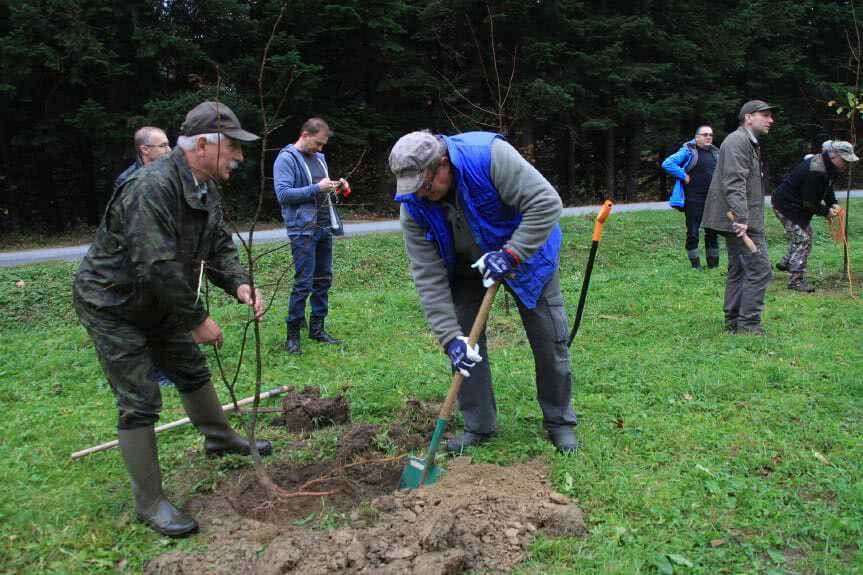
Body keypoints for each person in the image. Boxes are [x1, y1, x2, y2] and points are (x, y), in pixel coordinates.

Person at [73, 101, 272, 538]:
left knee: (189, 366)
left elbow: (218, 248)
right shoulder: (151, 188)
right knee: (140, 397)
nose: (239, 158)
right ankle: (150, 502)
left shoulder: (205, 189)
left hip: (159, 300)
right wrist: (197, 318)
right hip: (114, 304)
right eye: (232, 148)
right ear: (201, 144)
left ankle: (219, 439)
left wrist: (239, 284)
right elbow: (155, 264)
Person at [388, 130, 578, 454]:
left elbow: (546, 203)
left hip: (527, 254)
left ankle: (559, 422)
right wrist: (449, 339)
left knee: (550, 339)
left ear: (443, 163)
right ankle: (480, 426)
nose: (421, 194)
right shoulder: (414, 206)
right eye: (414, 188)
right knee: (464, 345)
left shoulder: (489, 157)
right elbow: (427, 274)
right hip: (466, 268)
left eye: (426, 185)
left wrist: (512, 253)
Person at [273, 118, 347, 355]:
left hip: (324, 227)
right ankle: (293, 335)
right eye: (318, 143)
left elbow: (322, 188)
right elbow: (283, 194)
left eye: (323, 145)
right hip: (302, 230)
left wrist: (336, 186)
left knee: (323, 280)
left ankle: (317, 329)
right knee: (303, 283)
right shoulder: (286, 159)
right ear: (304, 135)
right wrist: (317, 188)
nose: (320, 148)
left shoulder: (319, 158)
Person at [702, 100, 776, 335]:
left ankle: (733, 321)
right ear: (748, 117)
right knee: (760, 269)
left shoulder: (748, 142)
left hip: (739, 217)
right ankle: (749, 324)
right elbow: (734, 182)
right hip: (740, 220)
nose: (770, 120)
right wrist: (742, 219)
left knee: (741, 268)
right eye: (765, 115)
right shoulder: (737, 141)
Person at [116, 126, 176, 388]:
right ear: (145, 149)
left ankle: (171, 362)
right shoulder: (129, 181)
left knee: (168, 310)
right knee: (149, 312)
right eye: (162, 145)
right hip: (141, 259)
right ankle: (156, 371)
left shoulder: (169, 174)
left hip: (167, 253)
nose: (169, 149)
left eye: (168, 144)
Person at [772, 139, 857, 292]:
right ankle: (795, 281)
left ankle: (787, 263)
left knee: (805, 234)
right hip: (786, 206)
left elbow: (827, 187)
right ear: (834, 156)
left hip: (796, 205)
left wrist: (833, 203)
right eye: (845, 160)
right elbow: (809, 202)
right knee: (803, 239)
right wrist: (826, 212)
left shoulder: (828, 166)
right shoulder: (816, 170)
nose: (847, 164)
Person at [661, 126, 720, 268]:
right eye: (705, 134)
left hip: (712, 199)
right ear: (697, 137)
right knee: (693, 232)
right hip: (693, 199)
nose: (708, 137)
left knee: (712, 232)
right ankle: (695, 266)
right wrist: (683, 174)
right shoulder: (688, 151)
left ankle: (713, 266)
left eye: (710, 135)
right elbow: (667, 163)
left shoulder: (715, 152)